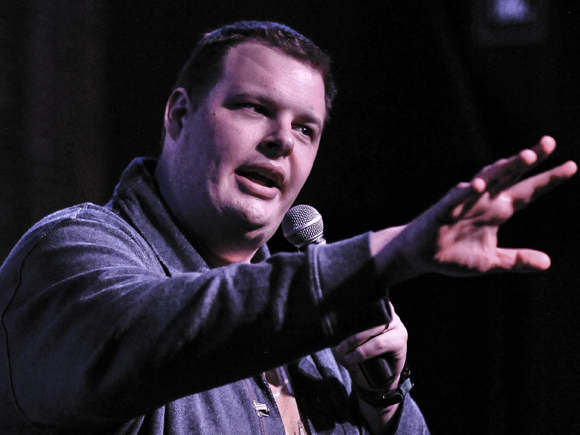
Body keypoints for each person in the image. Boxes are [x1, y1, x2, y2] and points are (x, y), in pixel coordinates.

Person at [0, 20, 576, 435]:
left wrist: (382, 401)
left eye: (306, 129)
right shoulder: (72, 250)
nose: (282, 141)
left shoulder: (316, 329)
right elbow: (152, 333)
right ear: (179, 115)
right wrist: (382, 256)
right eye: (255, 107)